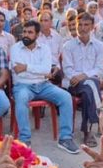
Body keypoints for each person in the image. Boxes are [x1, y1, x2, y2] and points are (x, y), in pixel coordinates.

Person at [10, 21, 77, 152]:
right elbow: (18, 71)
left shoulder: (45, 48)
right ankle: (24, 139)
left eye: (30, 32)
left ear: (37, 35)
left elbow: (47, 69)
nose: (25, 35)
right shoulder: (15, 48)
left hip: (43, 85)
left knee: (66, 97)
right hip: (23, 86)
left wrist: (26, 67)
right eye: (24, 32)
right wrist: (38, 71)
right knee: (22, 98)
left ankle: (65, 138)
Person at [61, 12, 103, 147]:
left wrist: (84, 75)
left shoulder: (99, 46)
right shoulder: (68, 46)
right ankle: (98, 119)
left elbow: (100, 68)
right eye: (79, 25)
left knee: (89, 87)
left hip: (89, 83)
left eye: (86, 25)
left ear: (92, 26)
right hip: (73, 83)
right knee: (91, 83)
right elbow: (68, 70)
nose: (82, 28)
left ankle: (87, 130)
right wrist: (83, 77)